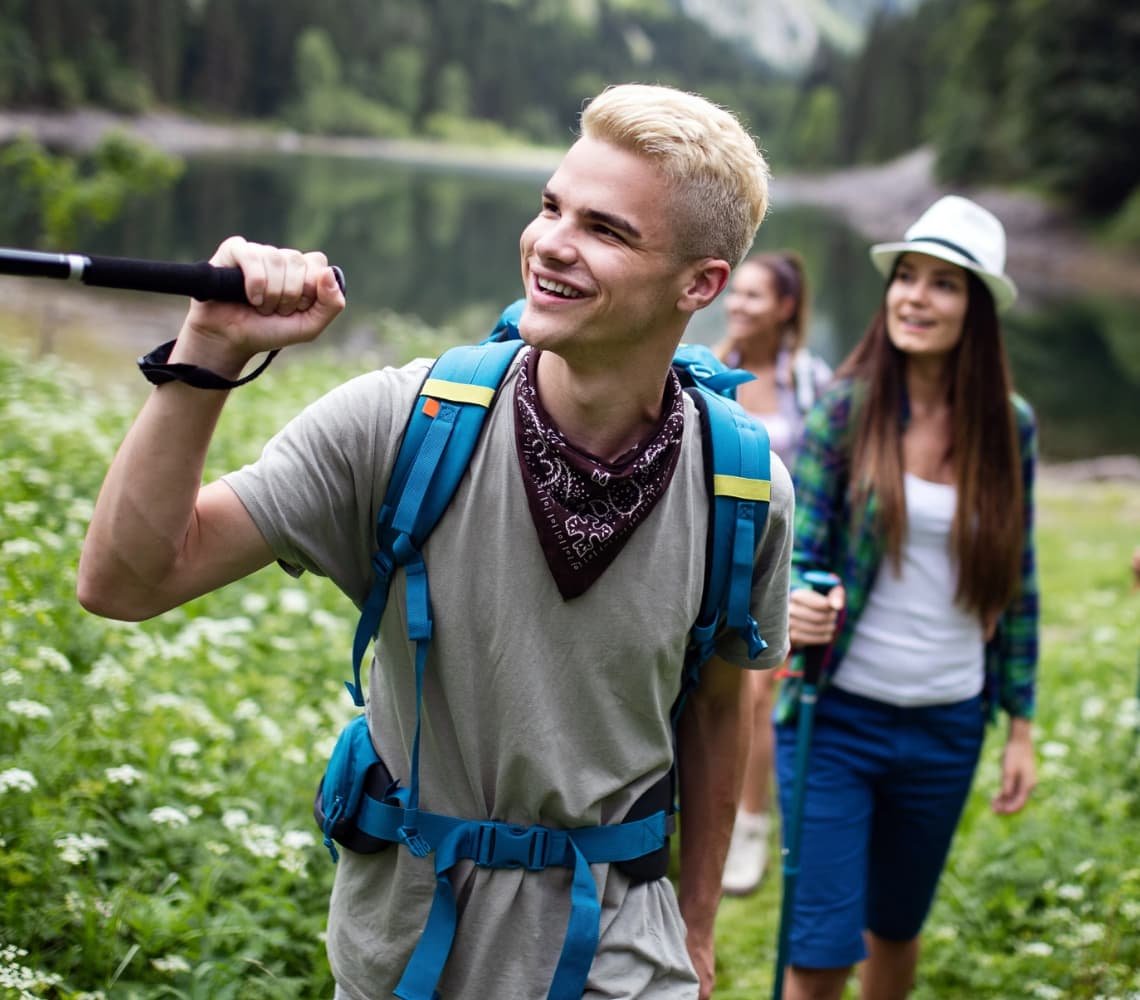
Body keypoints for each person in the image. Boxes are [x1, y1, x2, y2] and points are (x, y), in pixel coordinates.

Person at [76, 83, 793, 1000]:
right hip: (409, 949)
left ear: (701, 284)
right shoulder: (401, 422)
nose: (549, 245)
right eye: (549, 207)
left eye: (606, 231)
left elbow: (720, 709)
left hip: (622, 957)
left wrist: (695, 930)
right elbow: (127, 580)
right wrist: (209, 351)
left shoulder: (742, 486)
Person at [773, 195, 1039, 999]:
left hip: (949, 723)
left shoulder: (1010, 427)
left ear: (977, 310)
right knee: (820, 953)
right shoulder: (846, 411)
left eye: (944, 284)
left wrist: (1020, 725)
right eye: (907, 278)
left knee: (896, 931)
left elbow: (1017, 580)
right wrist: (796, 599)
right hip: (838, 717)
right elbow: (802, 551)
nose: (915, 297)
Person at [713, 251, 832, 896]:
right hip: (714, 550)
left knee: (756, 689)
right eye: (736, 294)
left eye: (755, 296)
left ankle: (750, 827)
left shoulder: (811, 381)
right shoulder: (709, 369)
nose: (738, 305)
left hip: (781, 556)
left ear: (786, 308)